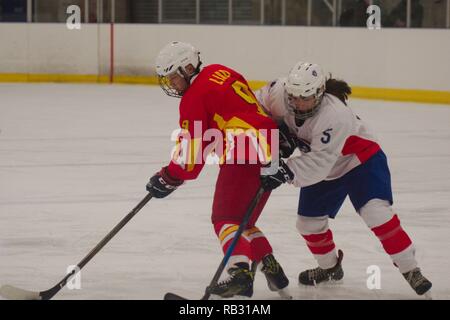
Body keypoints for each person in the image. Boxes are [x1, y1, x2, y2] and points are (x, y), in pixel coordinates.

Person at [256, 61, 432, 296]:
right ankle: (330, 268)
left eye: (305, 98)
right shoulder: (279, 93)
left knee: (376, 213)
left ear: (319, 94)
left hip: (359, 160)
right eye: (293, 96)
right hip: (325, 166)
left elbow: (318, 165)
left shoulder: (335, 116)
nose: (297, 103)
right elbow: (256, 106)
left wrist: (284, 170)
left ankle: (411, 269)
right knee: (307, 224)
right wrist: (268, 137)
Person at [147, 41, 290, 299]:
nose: (171, 84)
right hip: (272, 151)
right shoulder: (220, 71)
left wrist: (168, 177)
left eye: (173, 77)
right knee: (244, 221)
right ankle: (269, 264)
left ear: (188, 68)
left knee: (225, 219)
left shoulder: (194, 96)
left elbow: (192, 154)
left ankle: (239, 273)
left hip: (245, 150)